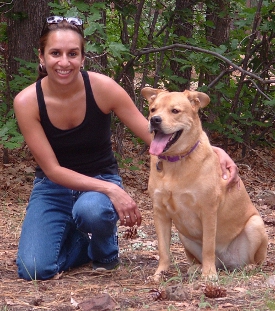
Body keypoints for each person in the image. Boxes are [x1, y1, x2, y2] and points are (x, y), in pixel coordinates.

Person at [13, 16, 239, 281]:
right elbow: (52, 170)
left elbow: (153, 133)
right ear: (41, 57)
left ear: (83, 58)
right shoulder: (27, 101)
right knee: (35, 269)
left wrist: (212, 151)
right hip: (53, 187)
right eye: (55, 53)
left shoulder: (103, 88)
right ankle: (82, 244)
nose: (64, 62)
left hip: (99, 180)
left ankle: (104, 251)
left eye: (73, 53)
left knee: (92, 211)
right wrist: (113, 190)